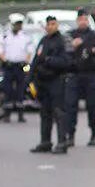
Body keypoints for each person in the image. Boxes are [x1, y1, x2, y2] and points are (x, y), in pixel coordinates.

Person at [66, 8, 95, 146]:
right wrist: (72, 46)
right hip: (74, 74)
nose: (83, 22)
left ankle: (94, 133)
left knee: (91, 106)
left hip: (90, 75)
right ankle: (70, 135)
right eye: (81, 19)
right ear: (77, 21)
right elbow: (64, 51)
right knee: (71, 106)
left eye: (85, 19)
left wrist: (94, 50)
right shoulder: (71, 35)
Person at [29, 16, 71, 154]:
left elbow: (65, 62)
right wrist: (29, 78)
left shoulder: (62, 41)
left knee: (59, 112)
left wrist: (48, 60)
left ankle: (62, 142)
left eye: (53, 24)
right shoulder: (44, 40)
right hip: (43, 82)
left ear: (57, 25)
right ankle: (45, 141)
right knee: (45, 112)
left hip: (56, 80)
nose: (50, 27)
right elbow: (36, 59)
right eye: (48, 24)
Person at [0, 13, 32, 123]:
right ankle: (7, 114)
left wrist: (26, 62)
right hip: (9, 66)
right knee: (8, 90)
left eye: (20, 24)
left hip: (21, 66)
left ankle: (20, 114)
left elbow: (30, 51)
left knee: (21, 89)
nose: (18, 26)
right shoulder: (5, 36)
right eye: (16, 24)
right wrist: (5, 60)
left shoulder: (25, 36)